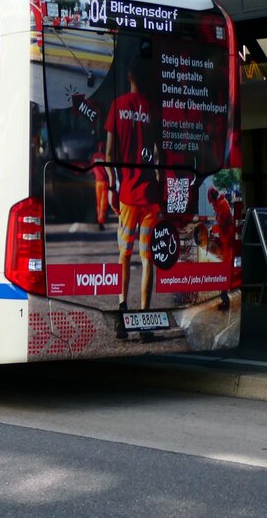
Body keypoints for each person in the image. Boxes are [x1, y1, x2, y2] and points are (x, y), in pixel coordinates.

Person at [105, 60, 162, 340]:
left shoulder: (117, 106)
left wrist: (111, 187)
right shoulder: (151, 109)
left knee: (124, 255)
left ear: (129, 75)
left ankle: (122, 309)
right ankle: (146, 320)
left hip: (127, 194)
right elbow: (159, 155)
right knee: (147, 257)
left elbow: (108, 154)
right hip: (150, 196)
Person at [91, 141, 109, 231]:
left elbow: (91, 169)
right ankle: (101, 222)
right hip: (105, 183)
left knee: (99, 203)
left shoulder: (94, 157)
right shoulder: (105, 157)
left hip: (97, 182)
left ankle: (99, 220)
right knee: (103, 204)